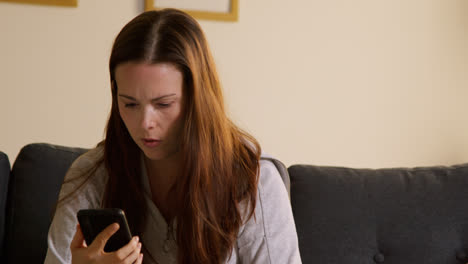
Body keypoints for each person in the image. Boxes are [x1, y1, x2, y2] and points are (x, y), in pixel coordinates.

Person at [44, 9, 301, 264]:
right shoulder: (90, 176)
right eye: (130, 104)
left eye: (164, 104)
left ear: (197, 100)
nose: (145, 123)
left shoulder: (253, 180)